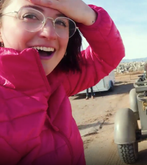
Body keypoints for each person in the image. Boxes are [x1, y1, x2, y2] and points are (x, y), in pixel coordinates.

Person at [0, 0, 125, 164]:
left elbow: (107, 57)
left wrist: (89, 14)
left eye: (61, 22)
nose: (50, 33)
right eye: (30, 16)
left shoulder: (55, 81)